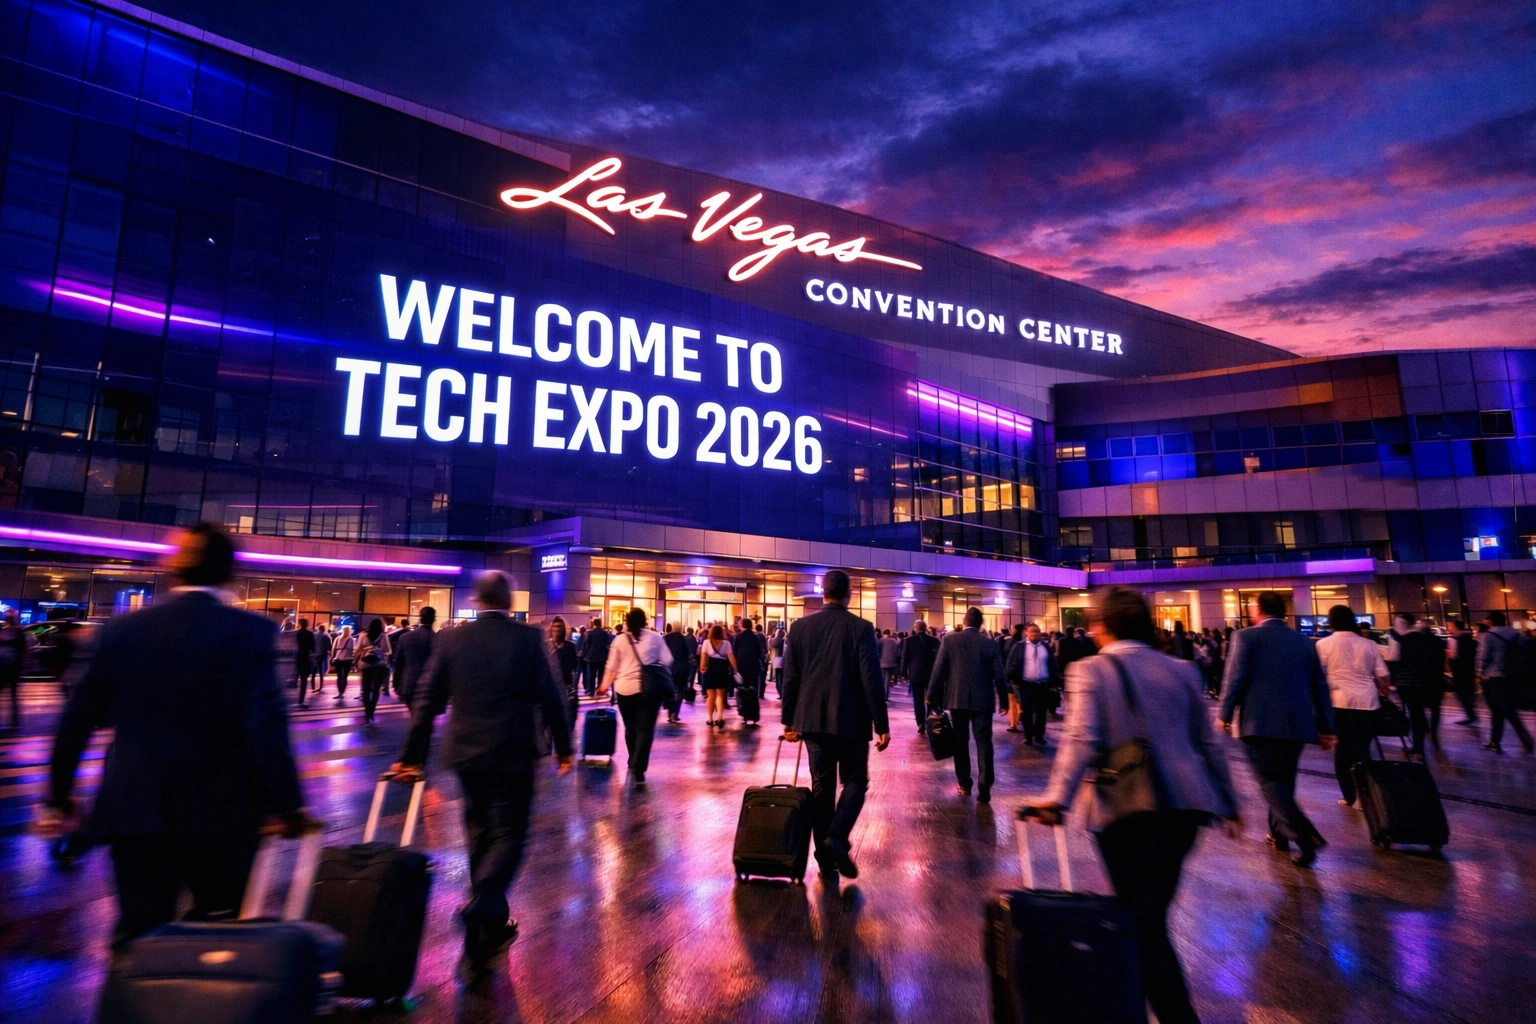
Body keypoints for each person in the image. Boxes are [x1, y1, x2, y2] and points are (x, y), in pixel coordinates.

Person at [39, 522, 310, 946]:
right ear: (229, 571)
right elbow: (266, 725)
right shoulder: (250, 632)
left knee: (138, 935)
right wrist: (288, 805)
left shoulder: (122, 630)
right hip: (222, 814)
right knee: (215, 939)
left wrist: (58, 798)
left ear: (175, 569)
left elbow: (77, 718)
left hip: (135, 808)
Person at [1025, 585, 1239, 1024]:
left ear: (1104, 626)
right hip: (1186, 808)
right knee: (1149, 916)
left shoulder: (1091, 671)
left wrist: (1056, 799)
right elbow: (1208, 743)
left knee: (1143, 923)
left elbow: (1081, 738)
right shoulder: (1182, 671)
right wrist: (1230, 801)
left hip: (1126, 807)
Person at [394, 571, 573, 982]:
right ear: (510, 602)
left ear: (477, 600)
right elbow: (552, 694)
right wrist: (563, 747)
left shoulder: (453, 638)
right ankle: (483, 902)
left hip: (466, 754)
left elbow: (427, 699)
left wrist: (410, 757)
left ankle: (484, 935)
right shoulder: (528, 638)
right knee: (509, 835)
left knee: (479, 836)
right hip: (513, 752)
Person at [782, 569, 890, 879]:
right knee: (856, 782)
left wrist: (789, 720)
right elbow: (871, 680)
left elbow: (790, 678)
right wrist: (881, 723)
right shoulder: (861, 628)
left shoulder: (800, 628)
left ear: (822, 592)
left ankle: (826, 859)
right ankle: (836, 839)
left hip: (812, 720)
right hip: (852, 720)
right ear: (849, 594)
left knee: (822, 788)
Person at [1218, 591, 1336, 867]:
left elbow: (1234, 678)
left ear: (1257, 609)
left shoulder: (1246, 637)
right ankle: (1279, 835)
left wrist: (1223, 715)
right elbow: (1319, 685)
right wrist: (1327, 727)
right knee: (1284, 781)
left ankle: (1305, 836)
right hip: (1297, 723)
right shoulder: (1304, 641)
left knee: (1270, 783)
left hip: (1258, 722)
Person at [927, 607, 1006, 801]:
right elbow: (1000, 676)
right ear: (981, 624)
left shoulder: (950, 640)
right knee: (984, 743)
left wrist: (931, 696)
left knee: (960, 742)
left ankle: (964, 784)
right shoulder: (990, 644)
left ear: (964, 621)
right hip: (983, 701)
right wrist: (1004, 701)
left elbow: (939, 671)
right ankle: (985, 787)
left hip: (957, 700)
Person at [1315, 605, 1391, 807]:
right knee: (1363, 750)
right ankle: (1368, 793)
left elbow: (1318, 676)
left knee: (1342, 753)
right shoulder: (1369, 644)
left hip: (1340, 703)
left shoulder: (1323, 644)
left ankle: (1351, 797)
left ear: (1331, 622)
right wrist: (1384, 690)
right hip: (1369, 704)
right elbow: (1383, 676)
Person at [599, 608, 673, 784]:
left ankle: (633, 758)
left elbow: (611, 667)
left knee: (631, 728)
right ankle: (639, 768)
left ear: (627, 621)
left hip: (624, 690)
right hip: (649, 690)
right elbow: (668, 660)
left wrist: (603, 686)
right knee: (645, 730)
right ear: (645, 621)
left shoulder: (619, 640)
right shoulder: (655, 638)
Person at [1387, 613, 1447, 754]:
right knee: (1434, 709)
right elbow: (1439, 659)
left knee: (1416, 714)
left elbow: (1394, 660)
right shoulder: (1432, 640)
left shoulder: (1401, 640)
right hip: (1432, 681)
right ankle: (1433, 733)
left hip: (1409, 683)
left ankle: (1418, 746)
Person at [1476, 610, 1534, 754]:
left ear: (1491, 621)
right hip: (1511, 675)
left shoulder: (1487, 636)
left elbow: (1482, 657)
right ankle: (1495, 741)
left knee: (1506, 710)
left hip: (1494, 676)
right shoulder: (1514, 634)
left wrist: (1478, 674)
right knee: (1499, 709)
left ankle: (1522, 734)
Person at [1006, 622, 1057, 745]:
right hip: (1025, 685)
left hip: (1043, 684)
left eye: (1037, 631)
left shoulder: (1045, 647)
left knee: (1041, 712)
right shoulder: (1019, 647)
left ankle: (1039, 735)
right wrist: (1011, 679)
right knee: (1026, 712)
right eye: (1032, 631)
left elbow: (1052, 664)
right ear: (1026, 633)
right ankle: (1028, 736)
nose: (1035, 634)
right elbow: (1010, 663)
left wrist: (1054, 681)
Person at [391, 607, 437, 709]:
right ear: (434, 619)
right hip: (430, 686)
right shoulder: (437, 639)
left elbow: (398, 663)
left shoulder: (405, 637)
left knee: (415, 716)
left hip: (409, 684)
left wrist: (396, 684)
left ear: (420, 618)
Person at [900, 620, 940, 736]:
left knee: (918, 700)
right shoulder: (934, 641)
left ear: (915, 628)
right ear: (926, 628)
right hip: (930, 675)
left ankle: (921, 724)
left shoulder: (909, 641)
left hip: (915, 675)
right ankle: (930, 721)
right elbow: (938, 658)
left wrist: (903, 673)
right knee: (931, 699)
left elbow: (905, 658)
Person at [698, 625, 738, 729]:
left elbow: (703, 658)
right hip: (722, 669)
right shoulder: (726, 643)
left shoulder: (706, 642)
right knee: (720, 695)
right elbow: (731, 658)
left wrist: (702, 668)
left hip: (710, 669)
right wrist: (735, 670)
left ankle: (710, 718)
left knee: (711, 695)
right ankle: (720, 718)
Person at [355, 618, 392, 724]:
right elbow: (388, 651)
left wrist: (365, 651)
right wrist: (379, 650)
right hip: (378, 665)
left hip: (365, 664)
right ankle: (371, 713)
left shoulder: (363, 635)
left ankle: (367, 713)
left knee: (365, 690)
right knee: (376, 690)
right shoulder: (384, 636)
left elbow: (358, 649)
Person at [546, 616, 580, 730]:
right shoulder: (545, 646)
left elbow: (575, 666)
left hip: (566, 688)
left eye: (559, 627)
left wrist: (573, 686)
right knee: (550, 726)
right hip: (550, 689)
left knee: (568, 722)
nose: (557, 630)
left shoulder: (570, 646)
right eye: (555, 627)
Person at [1446, 618, 1479, 726]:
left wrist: (1446, 652)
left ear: (1455, 626)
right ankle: (1471, 714)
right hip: (1469, 669)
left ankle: (1471, 715)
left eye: (1450, 626)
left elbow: (1454, 656)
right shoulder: (1469, 638)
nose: (1449, 628)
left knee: (1462, 693)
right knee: (1468, 692)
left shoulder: (1453, 639)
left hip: (1459, 670)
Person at [0, 608, 24, 731]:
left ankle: (15, 721)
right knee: (12, 696)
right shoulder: (4, 630)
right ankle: (14, 721)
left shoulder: (18, 631)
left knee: (13, 696)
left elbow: (23, 649)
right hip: (4, 667)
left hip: (12, 667)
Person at [662, 623, 691, 724]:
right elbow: (687, 653)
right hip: (681, 668)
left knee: (669, 690)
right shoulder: (682, 638)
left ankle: (670, 713)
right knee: (679, 691)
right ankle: (675, 713)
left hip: (668, 668)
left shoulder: (665, 638)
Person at [580, 617, 611, 699]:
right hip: (602, 657)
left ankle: (590, 691)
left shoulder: (590, 633)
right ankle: (599, 691)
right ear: (600, 624)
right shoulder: (604, 633)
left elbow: (586, 644)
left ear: (594, 624)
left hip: (591, 657)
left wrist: (584, 653)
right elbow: (607, 644)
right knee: (601, 675)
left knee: (591, 675)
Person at [734, 618, 765, 700]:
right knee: (753, 683)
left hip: (741, 664)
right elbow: (758, 650)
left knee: (743, 683)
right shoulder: (754, 636)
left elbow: (734, 650)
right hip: (753, 664)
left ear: (742, 625)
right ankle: (752, 700)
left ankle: (743, 701)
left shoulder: (738, 636)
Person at [294, 618, 316, 707]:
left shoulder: (297, 633)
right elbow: (312, 647)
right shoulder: (309, 634)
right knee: (304, 680)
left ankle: (297, 700)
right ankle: (301, 700)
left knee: (296, 678)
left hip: (298, 657)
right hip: (305, 657)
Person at [332, 625, 356, 701]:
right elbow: (351, 650)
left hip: (338, 659)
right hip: (347, 660)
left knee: (339, 677)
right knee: (344, 677)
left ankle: (339, 693)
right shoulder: (351, 639)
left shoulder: (338, 638)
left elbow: (333, 649)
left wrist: (333, 657)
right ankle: (342, 692)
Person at [313, 623, 332, 695]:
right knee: (321, 672)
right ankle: (320, 686)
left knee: (314, 671)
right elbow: (329, 647)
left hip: (315, 655)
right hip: (322, 655)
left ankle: (313, 686)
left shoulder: (314, 635)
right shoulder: (326, 636)